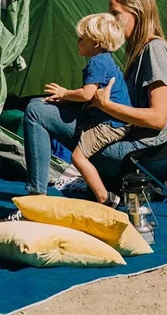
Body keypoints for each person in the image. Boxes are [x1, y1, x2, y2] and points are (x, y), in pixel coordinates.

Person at [18, 0, 167, 207]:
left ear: (137, 14)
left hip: (141, 154)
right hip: (131, 140)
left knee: (37, 111)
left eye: (116, 14)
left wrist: (105, 106)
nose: (110, 21)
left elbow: (158, 119)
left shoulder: (155, 51)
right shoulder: (140, 51)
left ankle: (36, 199)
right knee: (40, 103)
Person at [43, 13, 130, 208]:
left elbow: (87, 94)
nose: (78, 42)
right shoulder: (107, 60)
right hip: (117, 122)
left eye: (82, 38)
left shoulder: (97, 62)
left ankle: (104, 197)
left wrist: (64, 93)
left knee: (77, 157)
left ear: (96, 43)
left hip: (109, 124)